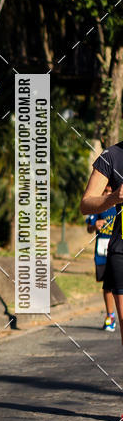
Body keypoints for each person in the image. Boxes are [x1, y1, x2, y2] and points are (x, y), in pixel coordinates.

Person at [81, 146, 123, 348]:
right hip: (115, 249)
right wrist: (114, 197)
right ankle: (110, 316)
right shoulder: (111, 157)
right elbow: (86, 205)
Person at [85, 186, 117, 330]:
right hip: (103, 251)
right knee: (107, 285)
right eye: (105, 191)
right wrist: (94, 226)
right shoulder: (98, 207)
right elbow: (89, 227)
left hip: (118, 250)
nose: (108, 194)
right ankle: (110, 316)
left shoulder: (120, 207)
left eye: (111, 191)